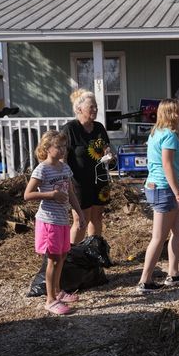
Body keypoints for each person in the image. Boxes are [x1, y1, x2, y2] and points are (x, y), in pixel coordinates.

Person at [24, 130, 86, 315]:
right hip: (48, 220)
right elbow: (27, 194)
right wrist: (50, 194)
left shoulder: (65, 167)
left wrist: (80, 214)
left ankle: (58, 291)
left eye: (64, 146)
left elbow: (71, 193)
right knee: (53, 259)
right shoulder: (42, 169)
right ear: (47, 148)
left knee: (63, 255)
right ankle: (50, 300)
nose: (62, 150)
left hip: (62, 219)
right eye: (58, 147)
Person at [137, 98, 179, 293]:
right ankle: (145, 281)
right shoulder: (169, 135)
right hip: (164, 189)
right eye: (178, 112)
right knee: (158, 237)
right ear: (170, 114)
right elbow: (167, 165)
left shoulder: (156, 133)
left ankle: (174, 273)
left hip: (159, 187)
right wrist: (178, 193)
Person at [62, 89, 113, 245]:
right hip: (78, 182)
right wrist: (65, 183)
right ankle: (71, 256)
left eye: (96, 106)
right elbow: (62, 158)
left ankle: (93, 253)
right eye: (91, 107)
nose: (95, 110)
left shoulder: (99, 128)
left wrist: (109, 154)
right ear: (79, 109)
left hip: (99, 180)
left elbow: (106, 148)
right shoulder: (70, 129)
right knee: (81, 220)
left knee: (97, 217)